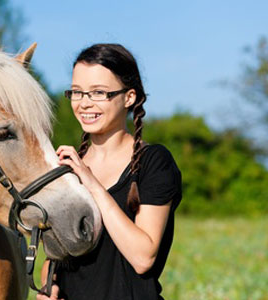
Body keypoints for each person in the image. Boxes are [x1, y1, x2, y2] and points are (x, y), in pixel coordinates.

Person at [37, 44, 182, 300]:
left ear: (129, 97)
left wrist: (92, 184)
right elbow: (56, 257)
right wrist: (49, 286)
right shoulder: (69, 167)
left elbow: (143, 257)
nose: (84, 103)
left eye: (98, 93)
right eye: (77, 92)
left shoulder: (154, 162)